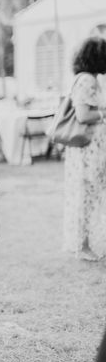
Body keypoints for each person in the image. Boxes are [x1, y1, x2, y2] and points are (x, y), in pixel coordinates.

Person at [62, 36, 106, 261]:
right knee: (87, 195)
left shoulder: (88, 78)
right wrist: (104, 113)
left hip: (91, 148)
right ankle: (83, 245)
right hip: (88, 150)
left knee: (91, 194)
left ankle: (87, 242)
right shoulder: (87, 80)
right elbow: (83, 114)